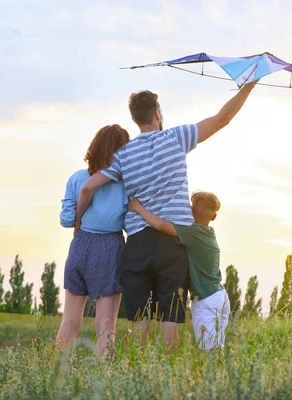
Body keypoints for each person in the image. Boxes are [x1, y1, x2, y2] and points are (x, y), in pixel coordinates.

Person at [75, 81, 258, 351]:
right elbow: (223, 118)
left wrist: (78, 222)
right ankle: (164, 380)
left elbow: (89, 187)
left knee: (139, 321)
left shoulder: (123, 156)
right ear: (157, 113)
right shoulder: (176, 137)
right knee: (169, 318)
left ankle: (138, 380)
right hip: (172, 245)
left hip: (137, 245)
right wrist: (249, 86)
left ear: (134, 118)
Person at [57, 124, 130, 356]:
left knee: (69, 323)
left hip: (79, 246)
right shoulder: (125, 183)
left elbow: (67, 219)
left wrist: (80, 217)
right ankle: (104, 383)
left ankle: (55, 374)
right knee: (105, 328)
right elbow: (130, 222)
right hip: (109, 247)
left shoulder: (77, 178)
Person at [129, 191, 229, 350]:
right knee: (217, 347)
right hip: (220, 295)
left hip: (206, 299)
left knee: (209, 350)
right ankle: (221, 374)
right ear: (214, 217)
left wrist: (138, 208)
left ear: (190, 212)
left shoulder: (192, 233)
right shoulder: (209, 232)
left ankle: (212, 375)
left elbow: (160, 225)